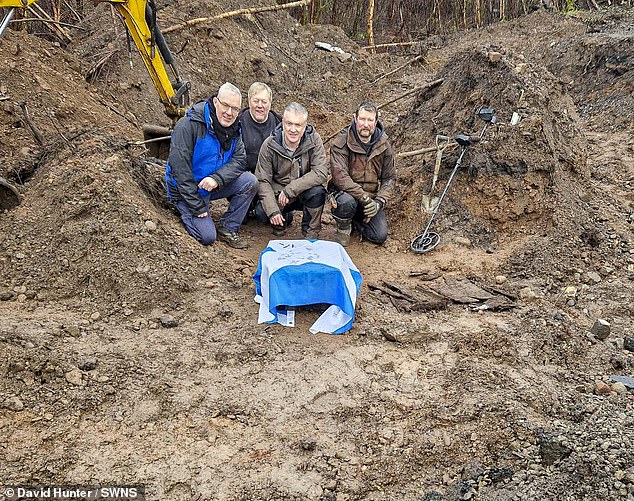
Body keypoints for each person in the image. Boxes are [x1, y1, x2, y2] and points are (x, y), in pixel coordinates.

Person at [165, 82, 258, 249]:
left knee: (249, 181)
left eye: (235, 109)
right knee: (207, 236)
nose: (229, 113)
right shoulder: (189, 124)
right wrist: (197, 206)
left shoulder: (234, 130)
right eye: (226, 105)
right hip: (185, 190)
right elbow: (180, 171)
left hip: (209, 185)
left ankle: (228, 227)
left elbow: (239, 160)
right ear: (216, 102)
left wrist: (217, 178)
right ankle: (182, 209)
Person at [254, 102, 328, 239]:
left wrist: (291, 189)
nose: (293, 129)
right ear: (283, 123)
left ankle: (310, 231)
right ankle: (280, 220)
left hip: (302, 191)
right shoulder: (270, 144)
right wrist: (272, 211)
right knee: (261, 213)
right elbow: (262, 180)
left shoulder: (314, 140)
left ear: (304, 126)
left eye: (298, 125)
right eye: (289, 124)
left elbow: (321, 172)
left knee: (318, 192)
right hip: (278, 194)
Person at [329, 101, 396, 246]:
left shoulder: (384, 145)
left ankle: (356, 221)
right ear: (355, 118)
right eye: (362, 119)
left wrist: (378, 203)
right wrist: (364, 197)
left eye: (370, 120)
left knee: (379, 236)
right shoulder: (341, 142)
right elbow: (341, 178)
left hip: (370, 198)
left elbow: (389, 179)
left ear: (376, 121)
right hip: (346, 195)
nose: (366, 124)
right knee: (347, 203)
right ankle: (344, 226)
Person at [238, 82, 281, 173]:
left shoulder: (280, 125)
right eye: (256, 101)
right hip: (245, 175)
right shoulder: (238, 123)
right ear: (249, 102)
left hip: (272, 175)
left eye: (264, 102)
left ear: (270, 103)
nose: (260, 106)